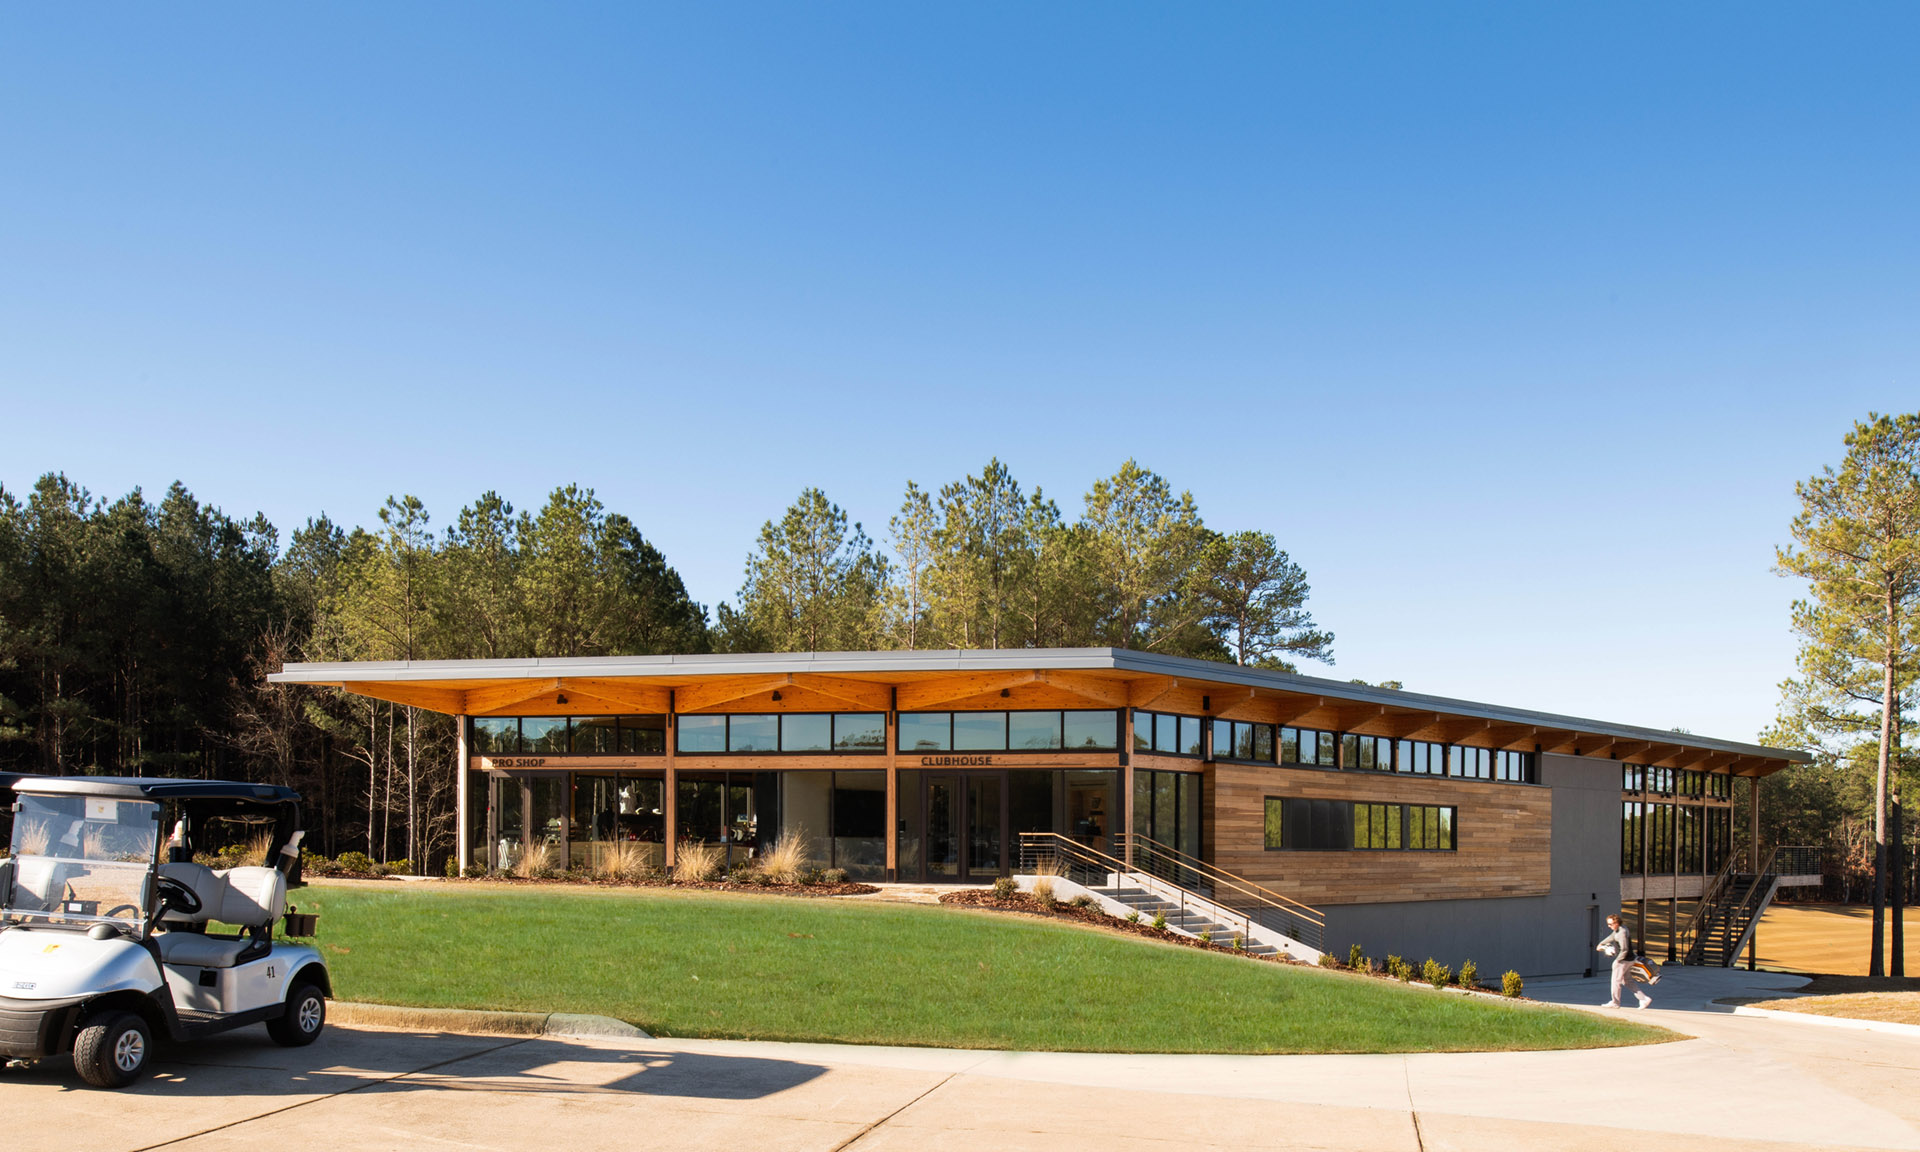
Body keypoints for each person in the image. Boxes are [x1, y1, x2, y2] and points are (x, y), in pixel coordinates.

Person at [1596, 913, 1652, 1009]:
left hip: (1623, 961)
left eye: (1611, 924)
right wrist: (1601, 944)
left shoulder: (1621, 933)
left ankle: (1615, 1002)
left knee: (1615, 981)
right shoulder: (1620, 929)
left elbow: (1624, 949)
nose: (1609, 926)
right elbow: (1611, 937)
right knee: (1627, 981)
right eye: (1608, 924)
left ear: (1617, 922)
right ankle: (1643, 999)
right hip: (1629, 959)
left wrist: (1617, 961)